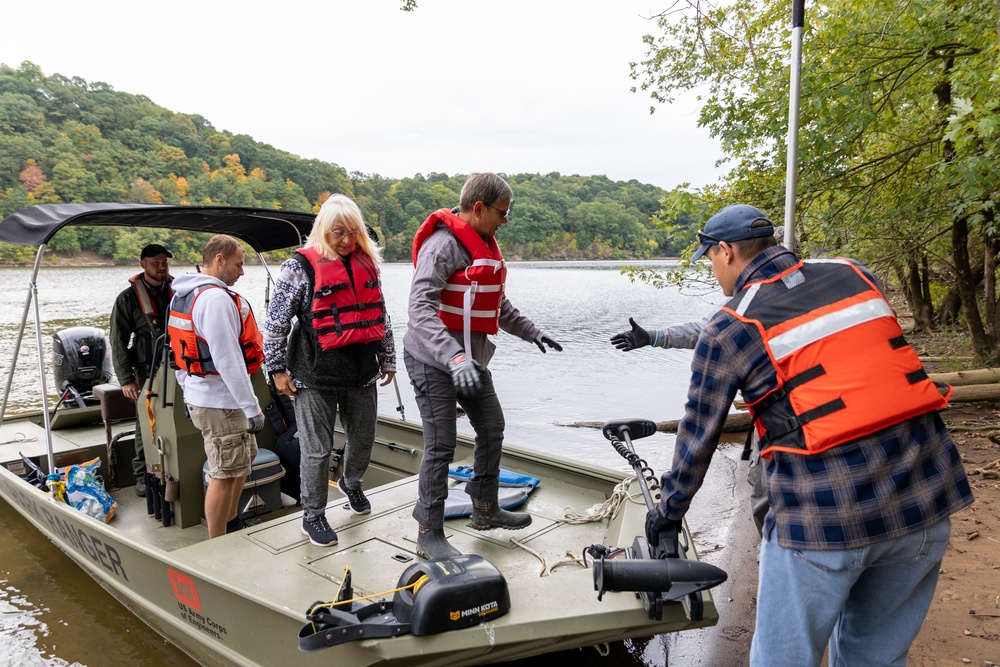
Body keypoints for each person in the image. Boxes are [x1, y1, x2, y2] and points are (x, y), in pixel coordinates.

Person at [644, 204, 974, 666]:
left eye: (711, 258)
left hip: (824, 519)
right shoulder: (855, 273)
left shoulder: (728, 326)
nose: (714, 269)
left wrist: (668, 512)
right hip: (927, 497)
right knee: (874, 659)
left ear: (726, 251)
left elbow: (698, 437)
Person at [404, 172, 563, 560]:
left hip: (469, 361)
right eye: (502, 214)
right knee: (441, 444)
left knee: (492, 427)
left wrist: (533, 332)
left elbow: (496, 306)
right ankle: (428, 531)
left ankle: (485, 509)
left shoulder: (484, 247)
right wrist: (454, 356)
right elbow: (419, 309)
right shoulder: (441, 247)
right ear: (479, 208)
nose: (505, 221)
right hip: (432, 359)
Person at [263, 194, 396, 548]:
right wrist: (276, 369)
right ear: (323, 230)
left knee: (364, 439)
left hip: (361, 372)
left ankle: (352, 483)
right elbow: (275, 323)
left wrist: (388, 358)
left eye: (353, 233)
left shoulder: (368, 264)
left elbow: (381, 315)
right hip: (313, 374)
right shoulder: (299, 267)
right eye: (338, 232)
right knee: (317, 449)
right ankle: (313, 515)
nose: (347, 241)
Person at [168, 235, 265, 539]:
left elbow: (177, 357)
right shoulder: (216, 300)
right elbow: (228, 360)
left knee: (242, 459)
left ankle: (232, 522)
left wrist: (188, 393)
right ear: (220, 260)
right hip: (221, 402)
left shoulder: (183, 295)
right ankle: (217, 542)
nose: (242, 271)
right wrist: (253, 408)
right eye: (239, 264)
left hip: (206, 397)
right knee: (223, 473)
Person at [109, 243, 174, 497]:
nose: (161, 267)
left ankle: (175, 468)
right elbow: (117, 341)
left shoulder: (178, 290)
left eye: (164, 263)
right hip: (147, 370)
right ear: (143, 264)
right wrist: (126, 380)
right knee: (146, 421)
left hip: (178, 367)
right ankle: (142, 474)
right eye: (155, 262)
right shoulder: (127, 299)